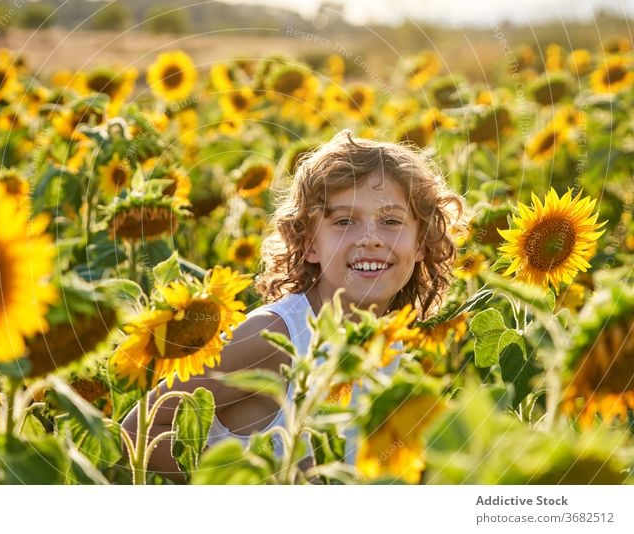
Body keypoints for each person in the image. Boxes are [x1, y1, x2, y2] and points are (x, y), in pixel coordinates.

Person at [121, 129, 464, 482]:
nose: (370, 238)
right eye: (345, 221)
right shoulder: (275, 336)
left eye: (391, 221)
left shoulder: (400, 346)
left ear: (421, 243)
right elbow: (136, 433)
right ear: (309, 244)